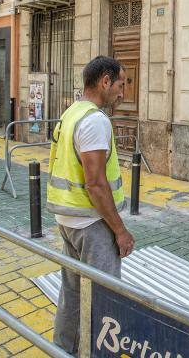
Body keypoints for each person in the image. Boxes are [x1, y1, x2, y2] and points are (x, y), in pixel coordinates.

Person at [49, 56, 135, 354]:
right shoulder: (95, 121)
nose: (122, 93)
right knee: (105, 297)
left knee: (72, 294)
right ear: (105, 81)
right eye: (121, 85)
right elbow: (96, 183)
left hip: (69, 219)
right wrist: (120, 231)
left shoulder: (72, 112)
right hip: (92, 225)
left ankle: (64, 349)